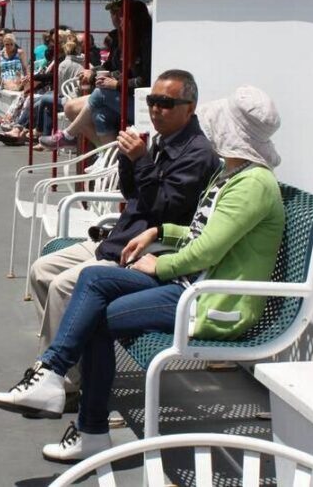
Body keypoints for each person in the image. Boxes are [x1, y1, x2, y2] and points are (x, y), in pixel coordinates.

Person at [0, 86, 285, 463]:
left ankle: (88, 427)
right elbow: (199, 232)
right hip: (190, 285)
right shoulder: (233, 174)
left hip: (210, 302)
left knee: (96, 314)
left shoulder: (254, 185)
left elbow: (208, 250)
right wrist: (160, 233)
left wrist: (160, 262)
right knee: (93, 280)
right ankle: (53, 376)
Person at [25, 70, 217, 391]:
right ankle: (70, 364)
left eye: (166, 103)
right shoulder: (161, 141)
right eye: (153, 101)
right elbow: (133, 195)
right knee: (42, 270)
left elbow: (163, 209)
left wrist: (140, 160)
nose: (156, 109)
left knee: (62, 287)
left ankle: (66, 381)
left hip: (144, 250)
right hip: (120, 238)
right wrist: (130, 161)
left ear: (190, 107)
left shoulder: (196, 154)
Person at [41, 0, 153, 149]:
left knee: (99, 94)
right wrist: (93, 72)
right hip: (122, 96)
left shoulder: (147, 42)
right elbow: (113, 68)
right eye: (114, 13)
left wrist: (116, 83)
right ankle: (108, 158)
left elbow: (144, 80)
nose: (117, 18)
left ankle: (67, 135)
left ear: (133, 18)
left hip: (140, 103)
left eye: (120, 14)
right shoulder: (119, 39)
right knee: (99, 116)